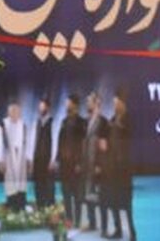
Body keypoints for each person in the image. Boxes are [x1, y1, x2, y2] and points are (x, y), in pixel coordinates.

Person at [103, 92, 137, 239]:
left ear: (123, 104)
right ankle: (118, 230)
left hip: (124, 170)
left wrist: (119, 125)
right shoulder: (111, 120)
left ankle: (132, 233)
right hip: (112, 170)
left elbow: (130, 136)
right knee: (113, 202)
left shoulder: (128, 119)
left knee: (127, 205)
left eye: (117, 103)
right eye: (114, 103)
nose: (115, 106)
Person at [58, 92, 87, 229]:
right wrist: (58, 159)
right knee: (66, 194)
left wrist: (80, 162)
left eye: (68, 103)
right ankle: (69, 219)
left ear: (74, 105)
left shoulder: (82, 122)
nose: (66, 105)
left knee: (77, 194)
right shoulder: (64, 122)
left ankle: (78, 219)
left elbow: (83, 144)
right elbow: (60, 142)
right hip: (64, 165)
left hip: (76, 165)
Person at [82, 91, 109, 233]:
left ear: (96, 103)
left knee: (101, 196)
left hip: (98, 166)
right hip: (87, 164)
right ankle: (92, 222)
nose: (87, 104)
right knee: (88, 194)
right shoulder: (86, 121)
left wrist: (100, 164)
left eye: (89, 102)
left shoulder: (103, 122)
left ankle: (104, 227)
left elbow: (104, 146)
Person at [0, 101, 29, 211]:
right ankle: (11, 205)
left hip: (21, 157)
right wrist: (0, 160)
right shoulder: (3, 125)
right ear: (8, 112)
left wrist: (28, 159)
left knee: (21, 182)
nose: (15, 113)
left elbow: (27, 143)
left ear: (19, 112)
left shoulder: (23, 125)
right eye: (12, 111)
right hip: (8, 157)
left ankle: (21, 205)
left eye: (17, 111)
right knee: (10, 182)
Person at [30, 97, 58, 209]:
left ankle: (50, 208)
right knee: (38, 184)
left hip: (48, 159)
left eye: (43, 106)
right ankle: (40, 206)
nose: (41, 108)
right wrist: (31, 160)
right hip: (37, 159)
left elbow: (55, 141)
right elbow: (33, 141)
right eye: (40, 106)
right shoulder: (36, 122)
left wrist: (53, 160)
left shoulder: (53, 122)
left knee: (49, 185)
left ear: (48, 107)